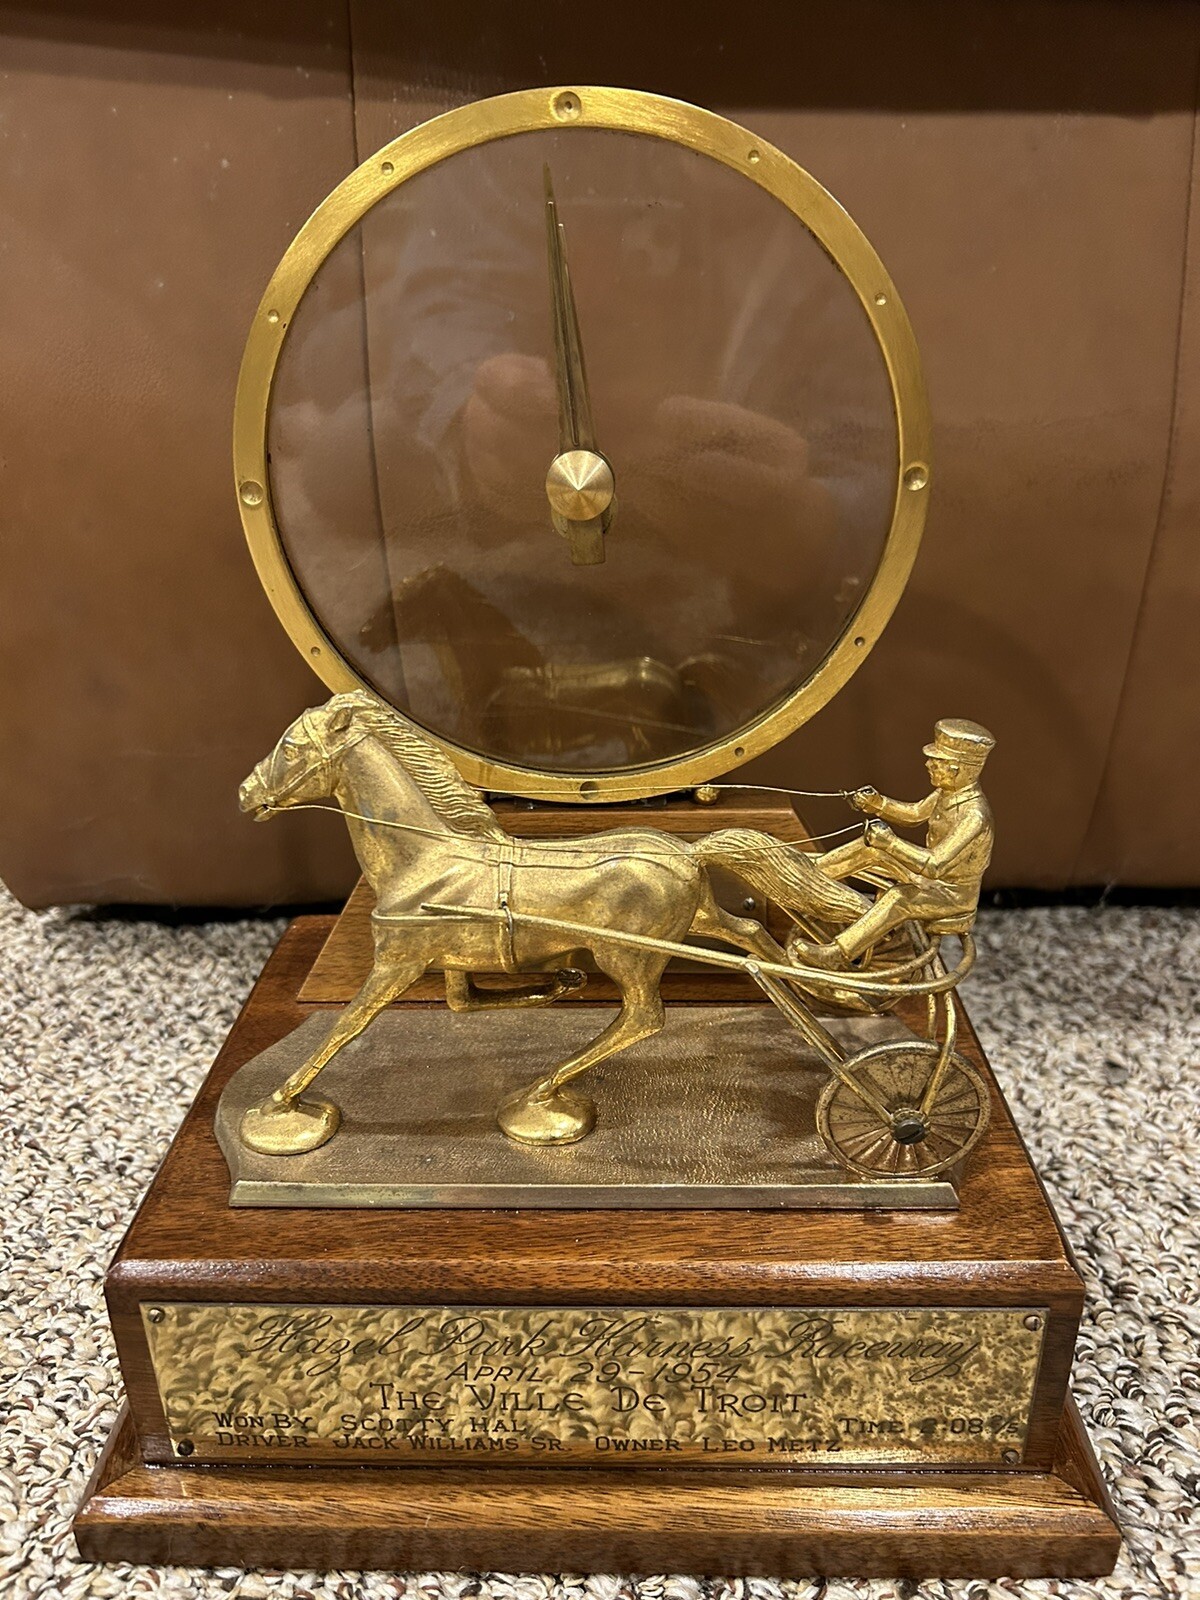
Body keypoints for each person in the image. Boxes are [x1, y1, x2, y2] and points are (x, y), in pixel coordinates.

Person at [790, 719, 995, 965]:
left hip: (951, 894)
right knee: (870, 849)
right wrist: (878, 804)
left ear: (955, 769)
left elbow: (935, 864)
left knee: (899, 899)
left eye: (936, 761)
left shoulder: (974, 816)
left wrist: (890, 843)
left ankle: (837, 953)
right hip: (931, 880)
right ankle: (809, 877)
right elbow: (915, 814)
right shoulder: (947, 794)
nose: (928, 764)